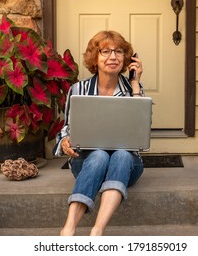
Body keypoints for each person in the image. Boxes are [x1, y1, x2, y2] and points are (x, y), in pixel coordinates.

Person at [54, 30, 145, 236]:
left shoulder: (134, 89)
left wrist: (135, 83)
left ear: (127, 58)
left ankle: (97, 231)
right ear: (95, 57)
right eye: (105, 51)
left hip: (126, 166)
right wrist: (66, 141)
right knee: (99, 155)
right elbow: (67, 127)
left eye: (119, 51)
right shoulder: (78, 89)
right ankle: (68, 229)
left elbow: (140, 130)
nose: (113, 57)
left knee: (121, 154)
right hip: (88, 163)